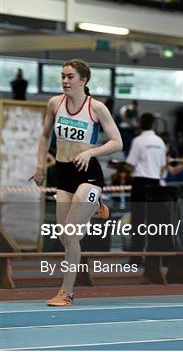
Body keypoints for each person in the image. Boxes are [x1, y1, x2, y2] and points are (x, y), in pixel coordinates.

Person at [33, 59, 122, 306]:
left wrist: (90, 152)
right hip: (64, 173)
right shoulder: (54, 103)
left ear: (83, 80)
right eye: (62, 76)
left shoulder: (96, 108)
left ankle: (67, 292)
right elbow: (44, 135)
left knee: (71, 235)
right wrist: (40, 165)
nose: (65, 81)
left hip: (88, 174)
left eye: (70, 77)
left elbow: (117, 142)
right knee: (65, 236)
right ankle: (95, 207)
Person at [125, 113, 167, 261]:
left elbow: (130, 165)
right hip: (155, 183)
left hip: (140, 183)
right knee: (154, 222)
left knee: (138, 221)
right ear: (153, 124)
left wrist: (120, 169)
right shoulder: (160, 142)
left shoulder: (138, 141)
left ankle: (136, 258)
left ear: (140, 124)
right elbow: (162, 167)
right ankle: (153, 259)